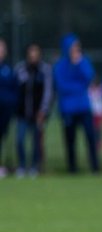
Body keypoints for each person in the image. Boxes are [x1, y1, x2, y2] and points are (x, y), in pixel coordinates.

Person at [53, 34, 99, 173]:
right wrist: (78, 87)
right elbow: (61, 86)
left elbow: (89, 78)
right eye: (73, 47)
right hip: (68, 109)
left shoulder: (83, 62)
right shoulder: (60, 66)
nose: (76, 49)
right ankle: (72, 168)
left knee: (91, 137)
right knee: (70, 140)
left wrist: (78, 64)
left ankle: (95, 167)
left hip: (84, 107)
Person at [15, 43, 52, 177]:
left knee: (36, 141)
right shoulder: (20, 69)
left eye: (35, 53)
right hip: (22, 113)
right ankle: (22, 166)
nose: (33, 56)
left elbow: (48, 92)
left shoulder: (44, 70)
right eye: (31, 53)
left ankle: (35, 167)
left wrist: (43, 110)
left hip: (38, 114)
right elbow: (16, 90)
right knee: (20, 140)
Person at [0, 39, 16, 176]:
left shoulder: (9, 69)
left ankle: (5, 165)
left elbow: (14, 89)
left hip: (6, 110)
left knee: (6, 138)